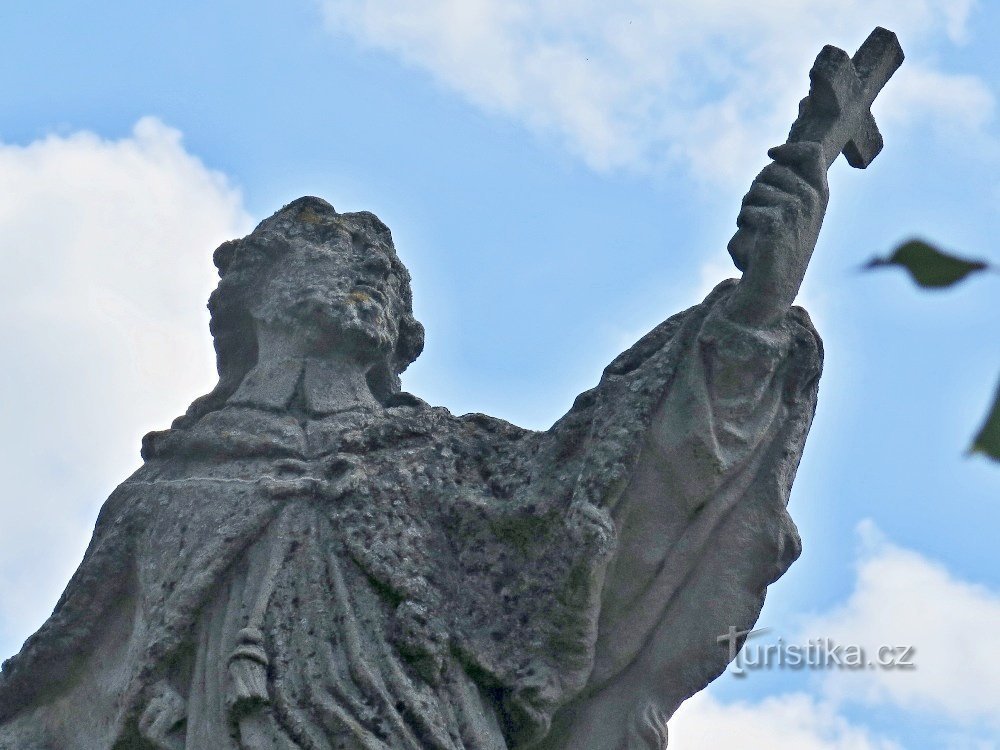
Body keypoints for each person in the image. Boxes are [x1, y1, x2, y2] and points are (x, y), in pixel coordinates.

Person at [0, 142, 825, 749]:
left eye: (386, 270)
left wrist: (753, 314)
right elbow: (64, 704)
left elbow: (630, 484)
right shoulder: (166, 496)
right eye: (331, 243)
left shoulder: (446, 459)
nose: (370, 268)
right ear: (250, 288)